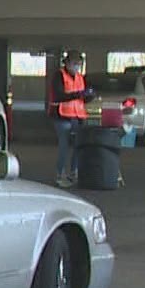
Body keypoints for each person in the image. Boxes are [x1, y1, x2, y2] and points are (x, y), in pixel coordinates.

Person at [50, 50, 93, 187]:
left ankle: (74, 172)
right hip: (61, 115)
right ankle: (60, 174)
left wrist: (87, 96)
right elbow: (59, 95)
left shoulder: (80, 77)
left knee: (78, 145)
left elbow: (81, 98)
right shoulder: (59, 76)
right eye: (74, 64)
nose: (76, 67)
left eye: (79, 65)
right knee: (64, 144)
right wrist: (78, 95)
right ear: (67, 63)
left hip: (77, 115)